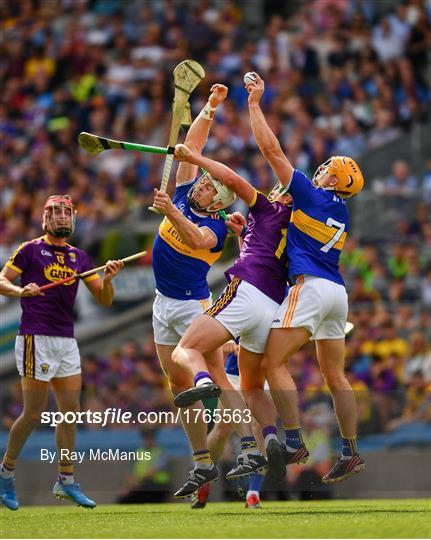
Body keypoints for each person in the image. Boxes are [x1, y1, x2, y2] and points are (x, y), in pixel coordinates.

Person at [244, 72, 366, 484]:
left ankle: (293, 439)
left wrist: (256, 106)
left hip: (311, 287)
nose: (321, 170)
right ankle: (350, 450)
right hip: (338, 293)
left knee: (272, 362)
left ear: (334, 180)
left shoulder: (312, 194)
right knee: (337, 377)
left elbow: (271, 150)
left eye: (328, 168)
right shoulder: (342, 210)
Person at [150, 84, 266, 498]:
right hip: (161, 304)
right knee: (176, 386)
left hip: (192, 304)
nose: (198, 186)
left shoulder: (216, 225)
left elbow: (198, 240)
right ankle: (201, 462)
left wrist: (168, 214)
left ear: (217, 198)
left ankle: (250, 447)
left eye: (205, 186)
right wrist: (211, 107)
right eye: (198, 184)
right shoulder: (182, 192)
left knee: (217, 375)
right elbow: (190, 146)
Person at [170, 124, 293, 486]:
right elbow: (266, 254)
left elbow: (232, 179)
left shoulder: (270, 207)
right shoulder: (296, 224)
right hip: (271, 304)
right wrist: (244, 235)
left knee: (186, 348)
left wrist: (194, 157)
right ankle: (268, 438)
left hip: (247, 291)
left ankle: (205, 380)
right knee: (252, 386)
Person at [0, 195, 123, 510]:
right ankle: (6, 472)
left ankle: (65, 480)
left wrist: (108, 280)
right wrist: (19, 290)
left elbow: (105, 300)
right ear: (46, 218)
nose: (62, 218)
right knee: (33, 413)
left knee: (71, 412)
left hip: (66, 341)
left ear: (74, 218)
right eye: (56, 213)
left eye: (66, 213)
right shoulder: (30, 250)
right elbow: (2, 280)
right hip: (35, 338)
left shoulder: (80, 257)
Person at [191, 340, 268, 510]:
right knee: (222, 429)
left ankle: (253, 493)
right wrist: (225, 340)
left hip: (266, 372)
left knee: (260, 429)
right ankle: (204, 477)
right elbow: (219, 322)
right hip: (235, 374)